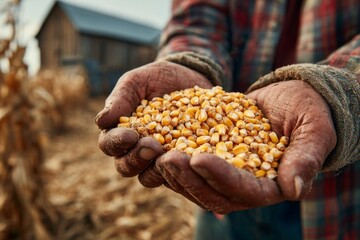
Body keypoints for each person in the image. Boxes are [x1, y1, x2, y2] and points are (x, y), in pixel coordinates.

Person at [95, 0, 360, 239]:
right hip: (213, 186)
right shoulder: (206, 125)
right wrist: (193, 62)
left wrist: (340, 90)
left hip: (338, 196)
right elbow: (197, 17)